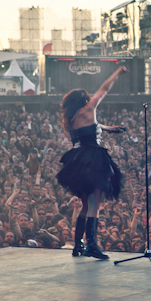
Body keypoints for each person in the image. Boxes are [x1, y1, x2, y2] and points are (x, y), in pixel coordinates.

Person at [56, 66, 128, 259]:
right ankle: (92, 245)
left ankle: (78, 244)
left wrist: (109, 128)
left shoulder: (71, 118)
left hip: (77, 161)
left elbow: (92, 127)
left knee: (86, 206)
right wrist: (117, 72)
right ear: (85, 100)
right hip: (93, 159)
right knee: (95, 204)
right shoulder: (89, 108)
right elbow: (104, 89)